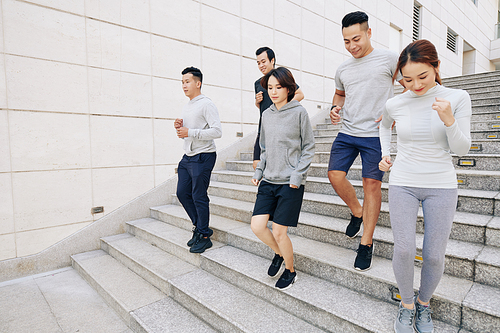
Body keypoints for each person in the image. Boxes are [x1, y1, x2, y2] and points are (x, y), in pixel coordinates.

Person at [378, 40, 471, 333]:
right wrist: (385, 153)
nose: (415, 85)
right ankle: (406, 304)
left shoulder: (456, 97)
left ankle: (424, 304)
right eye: (407, 79)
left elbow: (462, 149)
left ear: (436, 67)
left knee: (433, 254)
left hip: (441, 184)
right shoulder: (395, 102)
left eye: (423, 76)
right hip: (403, 181)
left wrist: (449, 121)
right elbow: (383, 125)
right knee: (404, 250)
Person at [328, 11, 404, 271]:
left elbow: (410, 86)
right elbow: (339, 95)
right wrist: (335, 108)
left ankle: (366, 243)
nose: (352, 46)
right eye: (346, 41)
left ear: (369, 33)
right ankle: (357, 211)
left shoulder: (389, 59)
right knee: (335, 176)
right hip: (348, 132)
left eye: (356, 39)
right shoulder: (343, 68)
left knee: (371, 185)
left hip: (374, 134)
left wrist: (396, 111)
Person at [251, 67, 315, 290]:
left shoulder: (299, 113)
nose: (274, 92)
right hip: (269, 180)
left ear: (289, 88)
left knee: (279, 231)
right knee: (257, 226)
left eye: (278, 87)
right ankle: (278, 253)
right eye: (270, 88)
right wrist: (259, 172)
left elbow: (308, 147)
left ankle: (290, 270)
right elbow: (265, 148)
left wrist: (297, 175)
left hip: (290, 182)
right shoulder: (266, 115)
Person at [174, 66, 222, 254]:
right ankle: (200, 227)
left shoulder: (206, 104)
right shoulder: (188, 105)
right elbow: (191, 130)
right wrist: (180, 126)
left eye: (187, 81)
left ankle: (204, 236)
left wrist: (190, 132)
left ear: (198, 83)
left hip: (204, 156)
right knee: (182, 193)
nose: (184, 85)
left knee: (198, 196)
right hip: (188, 157)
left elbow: (217, 131)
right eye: (182, 82)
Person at [253, 47, 304, 170]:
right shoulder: (257, 83)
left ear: (272, 60)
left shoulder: (281, 78)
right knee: (256, 163)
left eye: (263, 61)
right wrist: (257, 101)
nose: (261, 65)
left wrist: (283, 107)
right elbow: (262, 107)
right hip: (263, 128)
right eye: (258, 63)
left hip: (281, 127)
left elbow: (300, 94)